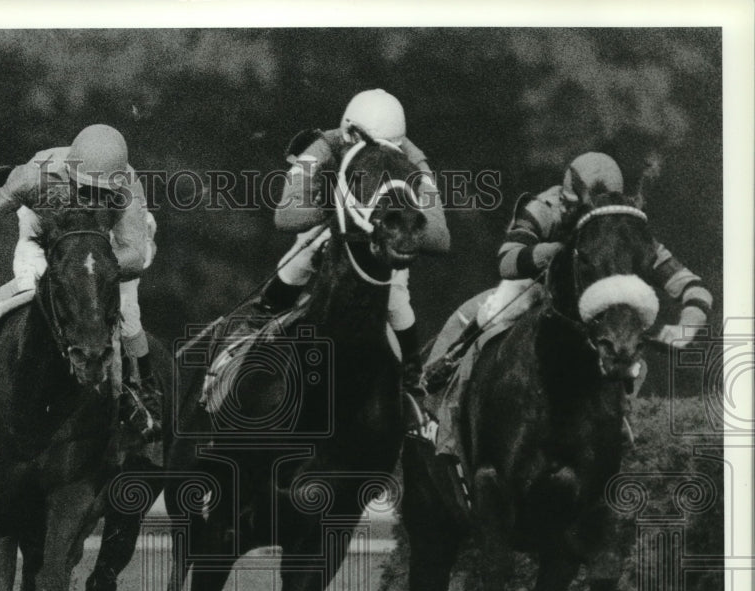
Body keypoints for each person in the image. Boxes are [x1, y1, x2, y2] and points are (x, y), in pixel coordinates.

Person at [0, 124, 162, 437]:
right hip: (48, 224)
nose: (91, 202)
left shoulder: (128, 187)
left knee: (126, 308)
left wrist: (89, 270)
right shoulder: (35, 178)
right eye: (85, 191)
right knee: (28, 286)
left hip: (106, 242)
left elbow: (136, 256)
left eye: (102, 195)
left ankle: (142, 390)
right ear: (70, 177)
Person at [418, 151, 714, 394]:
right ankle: (454, 366)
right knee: (498, 310)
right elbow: (506, 262)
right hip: (540, 284)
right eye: (576, 207)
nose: (583, 215)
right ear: (565, 197)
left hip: (595, 301)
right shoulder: (544, 207)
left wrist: (684, 328)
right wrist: (555, 251)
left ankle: (622, 415)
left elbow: (694, 288)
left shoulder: (623, 230)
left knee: (632, 357)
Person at [264, 89, 450, 381]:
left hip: (382, 235)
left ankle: (412, 373)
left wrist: (401, 229)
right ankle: (258, 322)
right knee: (298, 260)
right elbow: (286, 216)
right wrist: (339, 214)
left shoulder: (414, 160)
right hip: (335, 225)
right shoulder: (323, 145)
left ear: (398, 145)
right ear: (347, 133)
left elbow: (441, 237)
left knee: (396, 298)